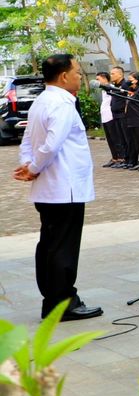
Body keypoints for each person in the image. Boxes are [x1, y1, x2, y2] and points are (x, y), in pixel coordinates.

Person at [14, 54, 101, 321]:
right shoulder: (62, 103)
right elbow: (51, 144)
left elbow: (27, 139)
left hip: (50, 188)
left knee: (50, 245)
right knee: (62, 247)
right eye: (76, 71)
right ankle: (63, 302)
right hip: (65, 188)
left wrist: (28, 165)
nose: (79, 75)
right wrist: (33, 168)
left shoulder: (42, 100)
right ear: (64, 76)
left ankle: (53, 301)